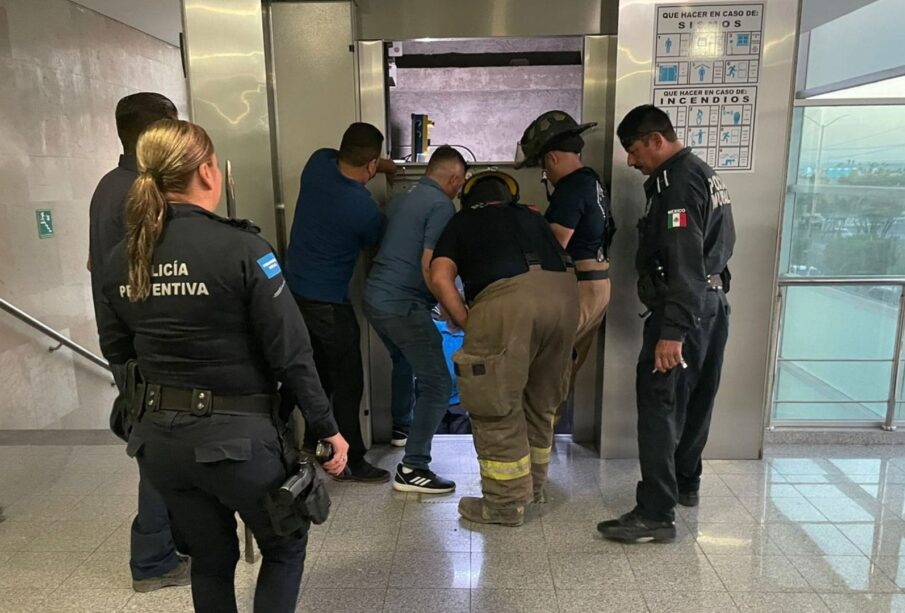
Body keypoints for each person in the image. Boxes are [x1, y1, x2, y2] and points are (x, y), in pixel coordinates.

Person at [94, 119, 349, 612]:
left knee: (210, 559)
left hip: (161, 447)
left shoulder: (120, 257)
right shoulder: (244, 249)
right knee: (284, 544)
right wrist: (328, 428)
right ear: (209, 171)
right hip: (240, 443)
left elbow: (118, 352)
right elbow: (292, 353)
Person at [598, 105, 734, 543]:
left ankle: (656, 511)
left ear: (657, 140)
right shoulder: (702, 172)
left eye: (634, 151)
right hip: (711, 304)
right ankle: (686, 484)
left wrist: (672, 331)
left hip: (682, 311)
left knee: (660, 405)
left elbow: (682, 260)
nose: (631, 161)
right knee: (696, 400)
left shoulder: (676, 185)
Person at [431, 171, 579, 526]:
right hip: (565, 300)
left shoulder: (463, 221)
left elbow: (438, 275)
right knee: (542, 401)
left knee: (495, 404)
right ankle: (535, 488)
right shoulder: (532, 216)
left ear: (468, 198)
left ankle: (504, 504)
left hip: (506, 301)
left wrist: (468, 321)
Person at [86, 92, 189, 593]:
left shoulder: (110, 185)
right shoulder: (137, 194)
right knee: (158, 449)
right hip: (144, 344)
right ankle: (152, 560)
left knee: (160, 444)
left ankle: (171, 542)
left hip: (124, 340)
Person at [284, 123, 396, 483]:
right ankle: (352, 460)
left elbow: (344, 159)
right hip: (329, 305)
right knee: (349, 383)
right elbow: (376, 240)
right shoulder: (361, 208)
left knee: (313, 375)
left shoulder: (317, 164)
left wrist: (383, 165)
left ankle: (310, 442)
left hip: (291, 296)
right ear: (371, 165)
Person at [364, 145, 466, 494]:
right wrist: (452, 311)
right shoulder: (441, 206)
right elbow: (429, 265)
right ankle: (413, 468)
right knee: (438, 383)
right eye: (460, 183)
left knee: (403, 361)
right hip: (402, 304)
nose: (459, 189)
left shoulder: (401, 199)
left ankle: (401, 428)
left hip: (375, 298)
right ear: (454, 178)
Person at [516, 110, 615, 409]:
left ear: (553, 158)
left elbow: (556, 245)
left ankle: (537, 431)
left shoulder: (571, 188)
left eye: (543, 165)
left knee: (547, 363)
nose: (545, 173)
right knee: (566, 364)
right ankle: (548, 427)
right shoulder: (592, 181)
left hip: (580, 288)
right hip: (598, 284)